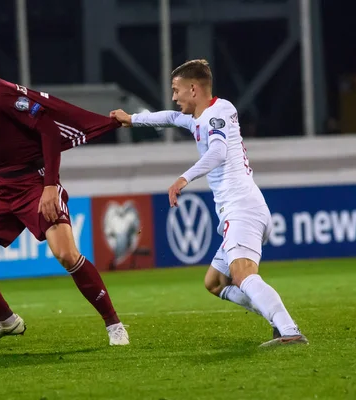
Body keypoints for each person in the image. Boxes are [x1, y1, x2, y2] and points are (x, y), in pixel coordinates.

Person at [0, 32, 129, 346]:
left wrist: (50, 186)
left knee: (66, 254)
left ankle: (114, 325)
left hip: (35, 183)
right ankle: (7, 321)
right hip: (1, 187)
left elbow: (48, 128)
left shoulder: (1, 95)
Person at [110, 59, 307, 347]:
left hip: (242, 208)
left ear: (193, 89)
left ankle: (288, 330)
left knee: (242, 275)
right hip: (239, 209)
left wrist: (183, 179)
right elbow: (170, 118)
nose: (174, 97)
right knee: (214, 282)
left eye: (176, 90)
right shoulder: (199, 118)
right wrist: (132, 119)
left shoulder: (219, 111)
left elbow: (218, 152)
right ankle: (279, 321)